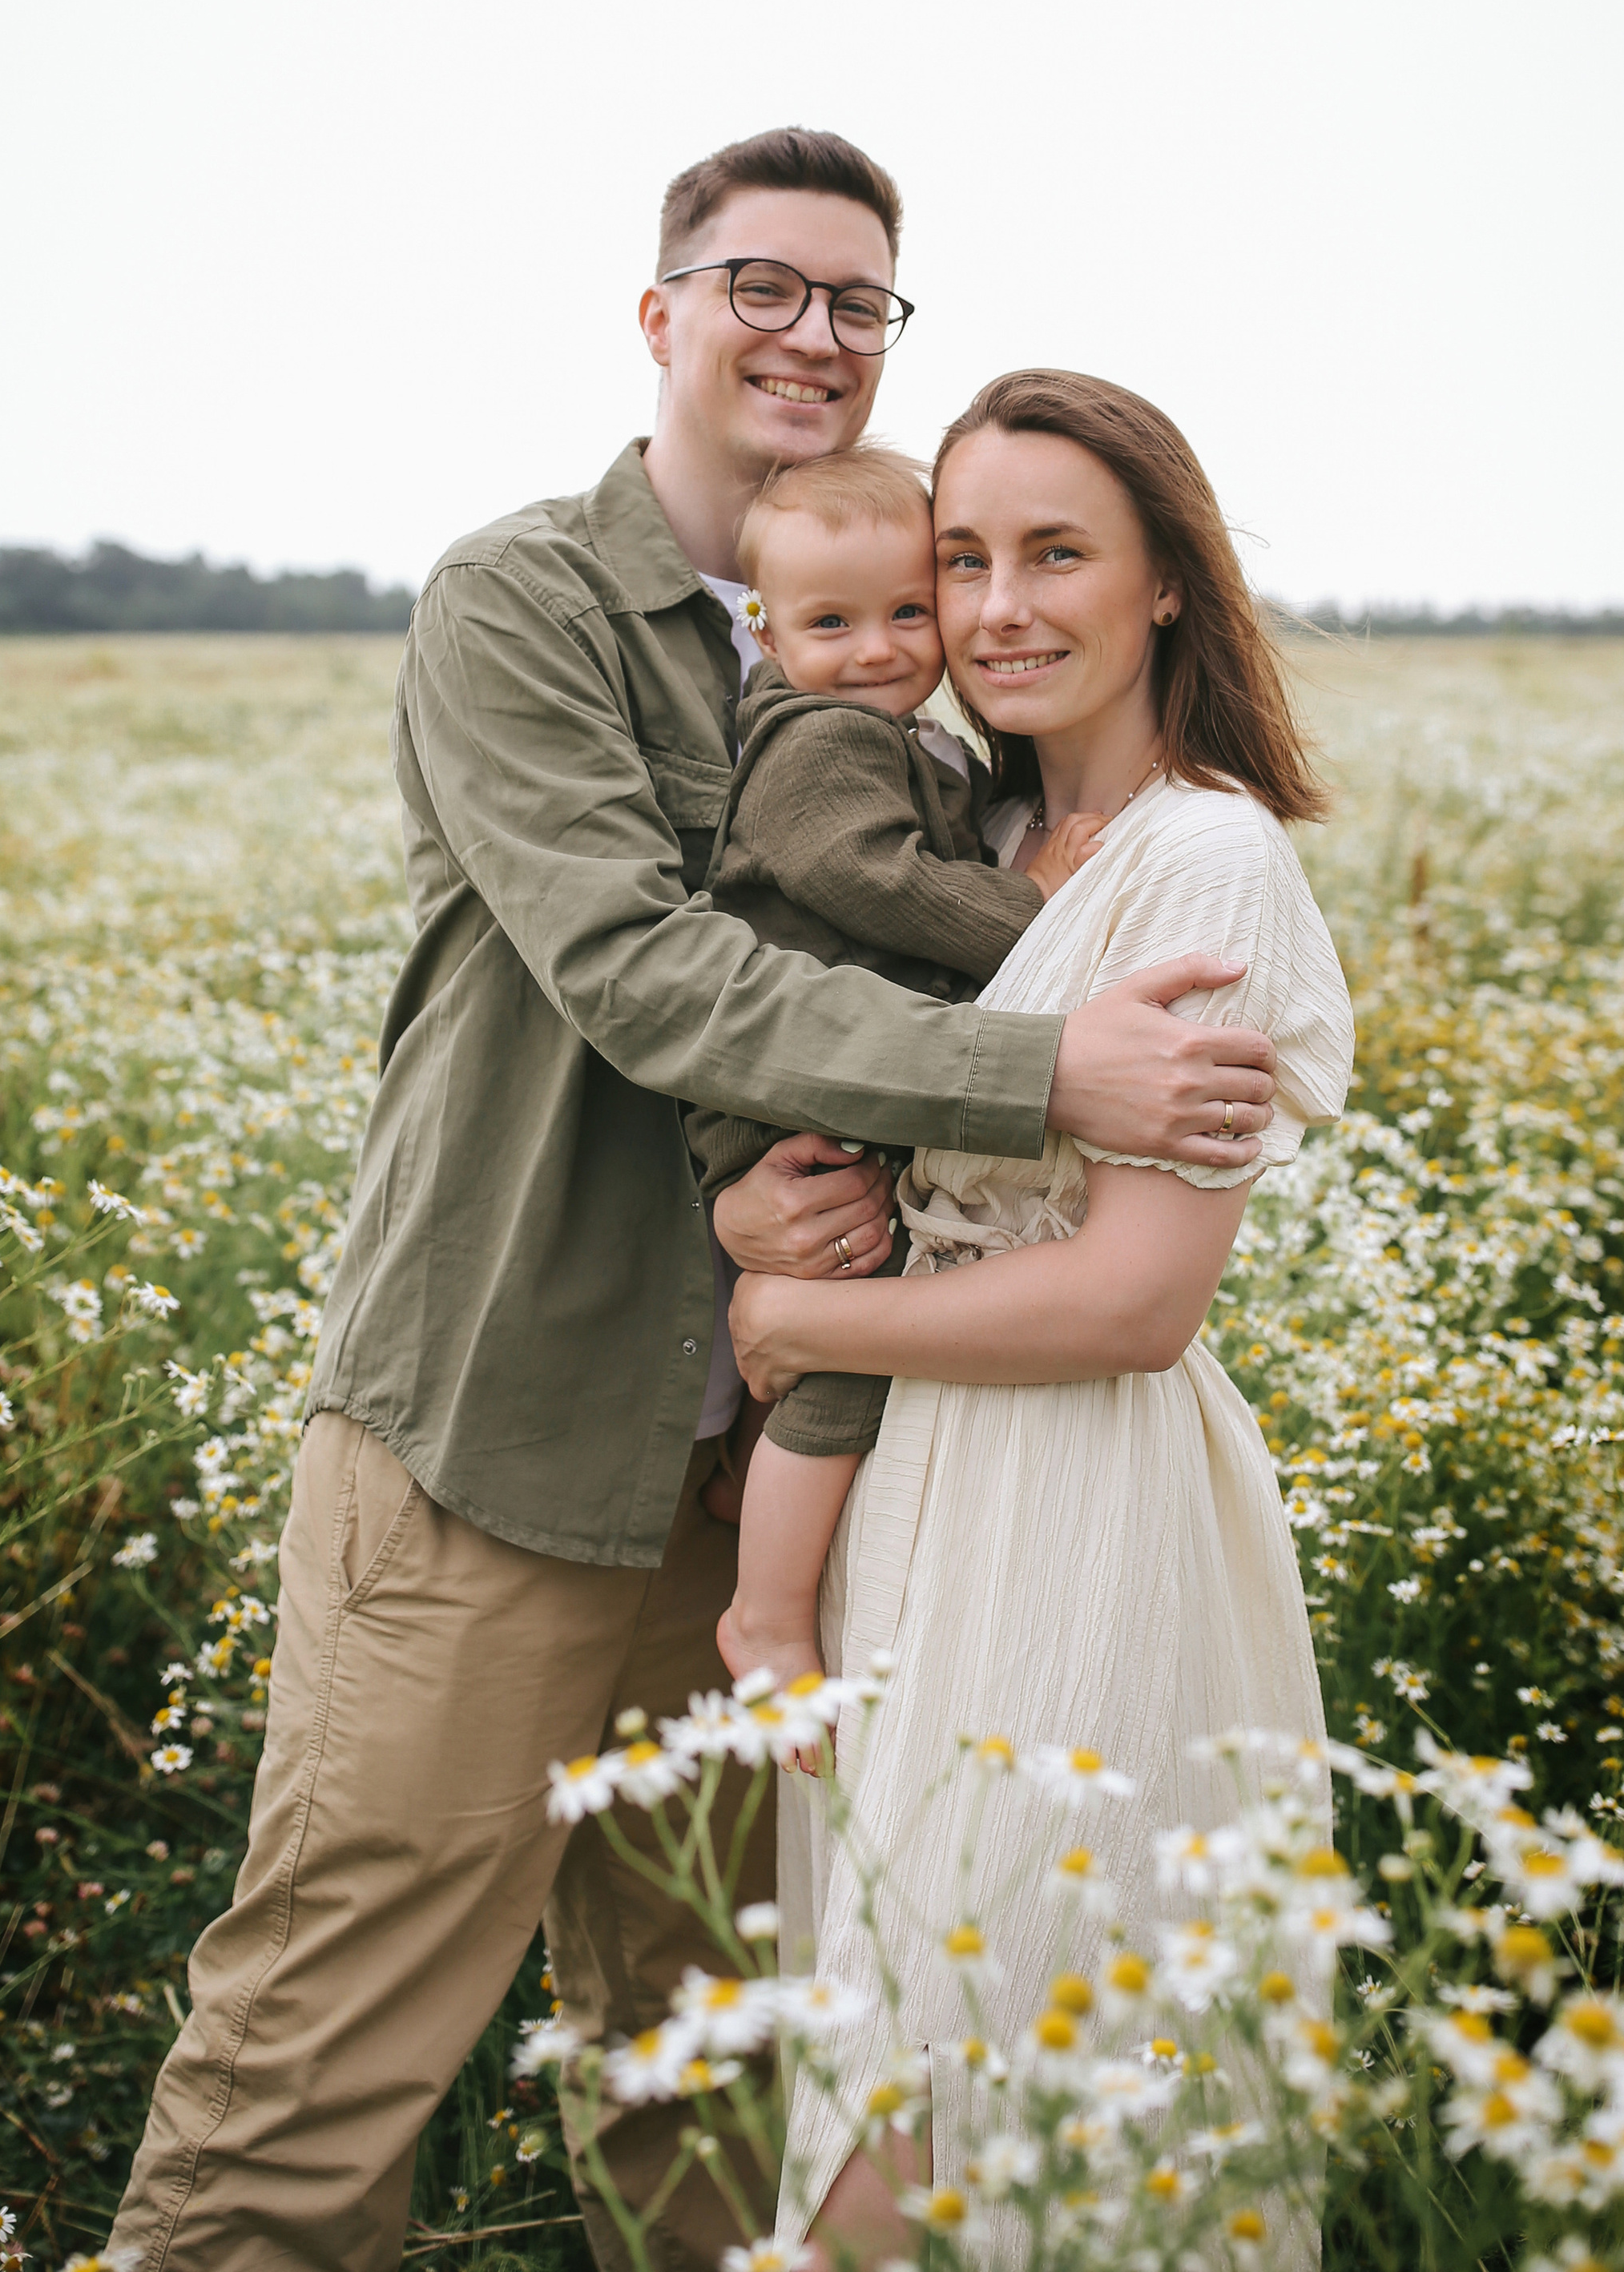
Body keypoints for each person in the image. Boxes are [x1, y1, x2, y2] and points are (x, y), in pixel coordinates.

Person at [111, 139, 1285, 2272]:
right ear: (660, 314)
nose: (815, 335)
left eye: (862, 302)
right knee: (320, 2056)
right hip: (503, 1436)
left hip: (768, 1486)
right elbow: (647, 975)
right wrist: (1045, 1065)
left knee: (712, 2073)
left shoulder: (923, 663)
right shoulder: (527, 605)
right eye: (766, 284)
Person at [727, 367, 1356, 2262]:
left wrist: (799, 1329)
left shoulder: (1205, 856)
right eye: (964, 559)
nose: (996, 608)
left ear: (1165, 578)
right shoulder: (969, 846)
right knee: (885, 2084)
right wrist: (767, 1228)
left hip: (1073, 1515)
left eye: (1055, 555)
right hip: (895, 1516)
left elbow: (1132, 1302)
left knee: (963, 2137)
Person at [686, 442, 1106, 1698]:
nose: (876, 648)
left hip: (839, 1070)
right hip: (790, 1100)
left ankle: (735, 1484)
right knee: (853, 1353)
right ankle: (763, 1614)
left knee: (844, 1310)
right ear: (764, 629)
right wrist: (1030, 910)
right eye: (832, 622)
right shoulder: (823, 742)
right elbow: (867, 879)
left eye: (907, 612)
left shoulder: (893, 732)